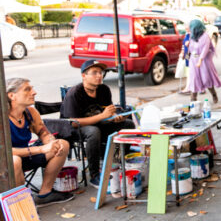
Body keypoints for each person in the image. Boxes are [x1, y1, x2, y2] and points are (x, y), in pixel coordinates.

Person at [60, 60, 135, 188]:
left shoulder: (104, 89)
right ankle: (94, 175)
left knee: (128, 125)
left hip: (99, 123)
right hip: (76, 129)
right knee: (93, 132)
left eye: (100, 72)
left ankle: (120, 162)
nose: (99, 75)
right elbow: (72, 123)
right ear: (84, 76)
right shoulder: (75, 93)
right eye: (94, 73)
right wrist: (102, 116)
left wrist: (114, 117)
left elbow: (107, 111)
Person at [7, 78, 75, 207]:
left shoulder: (30, 112)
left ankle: (45, 194)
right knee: (14, 160)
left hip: (26, 155)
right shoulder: (3, 117)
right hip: (7, 162)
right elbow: (5, 153)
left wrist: (51, 142)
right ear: (12, 96)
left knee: (62, 144)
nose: (34, 92)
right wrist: (41, 149)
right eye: (27, 89)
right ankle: (22, 203)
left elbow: (43, 133)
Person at [186, 19, 221, 103]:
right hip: (193, 61)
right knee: (194, 80)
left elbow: (205, 49)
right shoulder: (192, 36)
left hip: (204, 61)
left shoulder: (205, 36)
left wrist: (200, 60)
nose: (190, 28)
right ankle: (193, 100)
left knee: (206, 79)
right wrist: (187, 58)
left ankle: (214, 94)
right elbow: (190, 50)